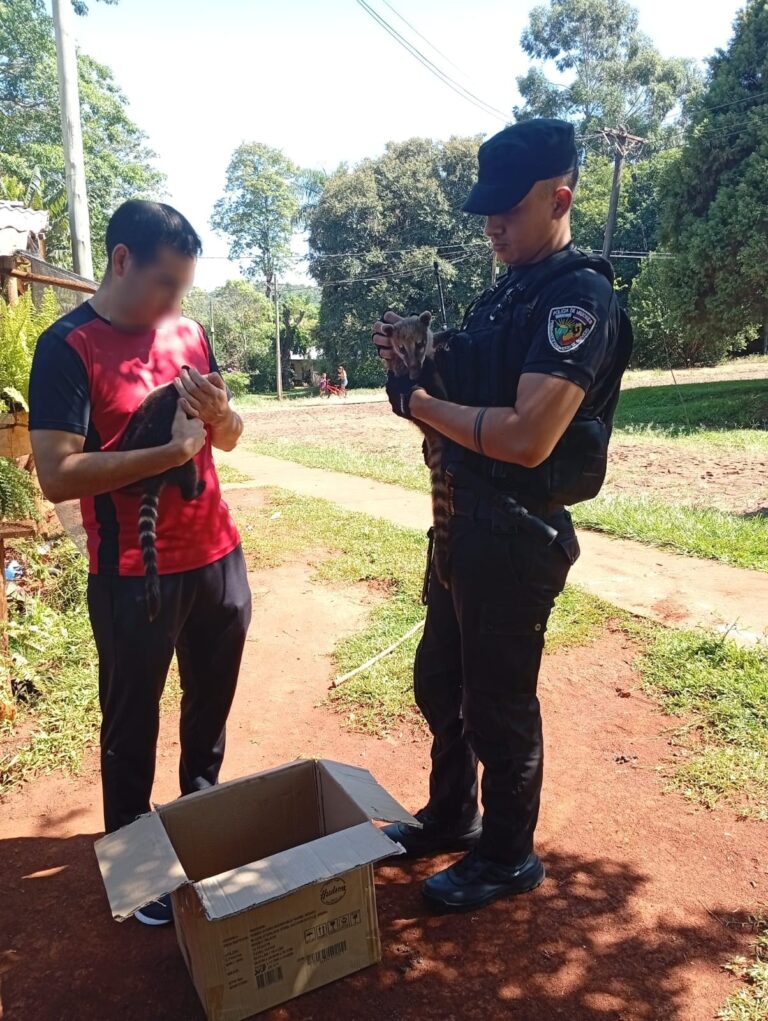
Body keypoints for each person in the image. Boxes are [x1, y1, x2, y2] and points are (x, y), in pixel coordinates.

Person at [372, 119, 632, 912]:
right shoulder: (508, 291)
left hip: (515, 532)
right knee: (439, 680)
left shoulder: (578, 299)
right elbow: (469, 388)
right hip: (460, 522)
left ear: (560, 200)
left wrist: (419, 402)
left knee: (498, 703)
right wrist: (414, 358)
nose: (492, 225)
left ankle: (509, 854)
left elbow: (526, 436)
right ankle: (454, 812)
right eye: (487, 209)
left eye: (509, 209)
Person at [29, 200, 252, 926]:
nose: (175, 302)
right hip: (133, 574)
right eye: (165, 283)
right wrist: (168, 453)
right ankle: (136, 869)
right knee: (131, 726)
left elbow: (228, 438)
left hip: (218, 555)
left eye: (184, 287)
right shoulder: (68, 347)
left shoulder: (188, 332)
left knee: (209, 713)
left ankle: (200, 827)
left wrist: (220, 418)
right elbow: (57, 475)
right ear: (121, 260)